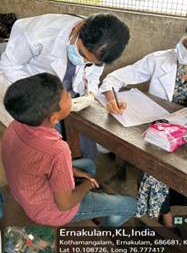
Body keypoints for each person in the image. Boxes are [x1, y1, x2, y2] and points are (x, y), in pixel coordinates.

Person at [99, 13, 187, 232]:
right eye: (186, 45)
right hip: (160, 135)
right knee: (155, 173)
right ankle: (165, 216)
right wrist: (111, 97)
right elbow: (114, 79)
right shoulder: (159, 59)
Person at [2, 73, 137, 227]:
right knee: (130, 205)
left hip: (27, 194)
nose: (70, 95)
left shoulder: (17, 125)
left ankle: (92, 199)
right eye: (67, 96)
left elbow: (41, 164)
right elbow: (64, 205)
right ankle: (103, 232)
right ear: (54, 118)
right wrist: (88, 184)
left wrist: (74, 172)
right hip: (51, 211)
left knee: (87, 165)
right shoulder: (57, 150)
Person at [0, 12, 130, 159]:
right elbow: (9, 65)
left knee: (82, 143)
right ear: (78, 28)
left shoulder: (101, 50)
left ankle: (76, 164)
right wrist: (43, 94)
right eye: (81, 53)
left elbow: (93, 75)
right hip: (33, 85)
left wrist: (91, 94)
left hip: (66, 89)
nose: (82, 61)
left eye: (91, 61)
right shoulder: (38, 33)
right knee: (46, 144)